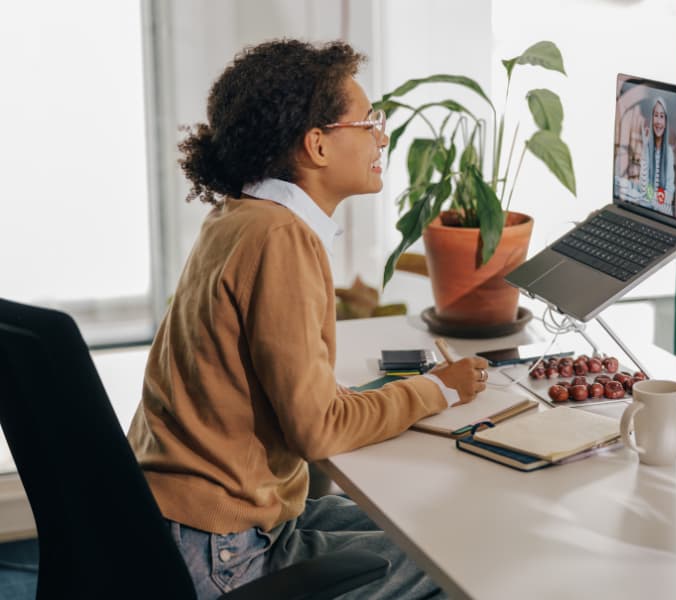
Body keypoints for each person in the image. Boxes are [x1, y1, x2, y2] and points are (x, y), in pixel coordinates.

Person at [127, 39, 488, 600]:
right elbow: (317, 429)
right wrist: (437, 389)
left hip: (174, 525)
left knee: (436, 526)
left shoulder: (238, 217)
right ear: (317, 145)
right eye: (369, 123)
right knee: (463, 555)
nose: (383, 137)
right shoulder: (281, 239)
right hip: (224, 550)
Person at [645, 97, 676, 212]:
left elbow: (669, 193)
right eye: (656, 115)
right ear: (652, 118)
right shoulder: (647, 150)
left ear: (666, 121)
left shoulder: (669, 153)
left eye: (662, 116)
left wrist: (654, 202)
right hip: (648, 211)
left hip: (664, 213)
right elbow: (645, 185)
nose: (658, 121)